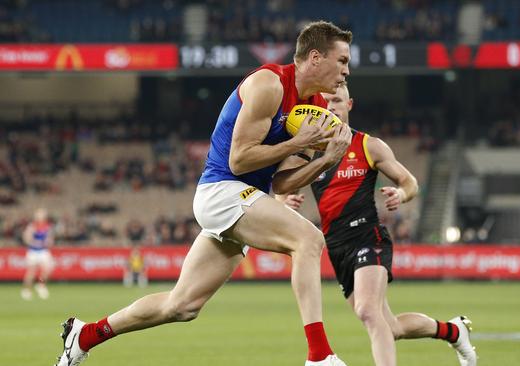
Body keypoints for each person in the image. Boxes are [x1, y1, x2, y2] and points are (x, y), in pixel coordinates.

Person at [56, 20, 353, 366]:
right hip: (223, 190)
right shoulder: (269, 84)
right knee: (309, 240)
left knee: (182, 306)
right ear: (315, 58)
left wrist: (326, 160)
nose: (346, 70)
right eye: (342, 60)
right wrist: (298, 142)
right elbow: (239, 159)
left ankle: (86, 335)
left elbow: (284, 183)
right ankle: (319, 356)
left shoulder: (313, 107)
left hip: (246, 199)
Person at [278, 83, 477, 366]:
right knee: (389, 326)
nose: (331, 106)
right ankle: (453, 330)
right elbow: (281, 189)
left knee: (368, 311)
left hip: (367, 236)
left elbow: (409, 182)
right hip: (336, 247)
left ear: (349, 105)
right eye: (326, 101)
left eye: (337, 100)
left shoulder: (368, 145)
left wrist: (401, 194)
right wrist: (283, 202)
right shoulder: (310, 152)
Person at [21, 207, 55, 300]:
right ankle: (26, 290)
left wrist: (48, 242)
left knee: (48, 268)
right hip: (33, 251)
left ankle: (41, 284)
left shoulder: (47, 226)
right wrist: (34, 242)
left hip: (43, 251)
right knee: (31, 271)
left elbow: (50, 239)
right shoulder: (32, 226)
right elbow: (26, 238)